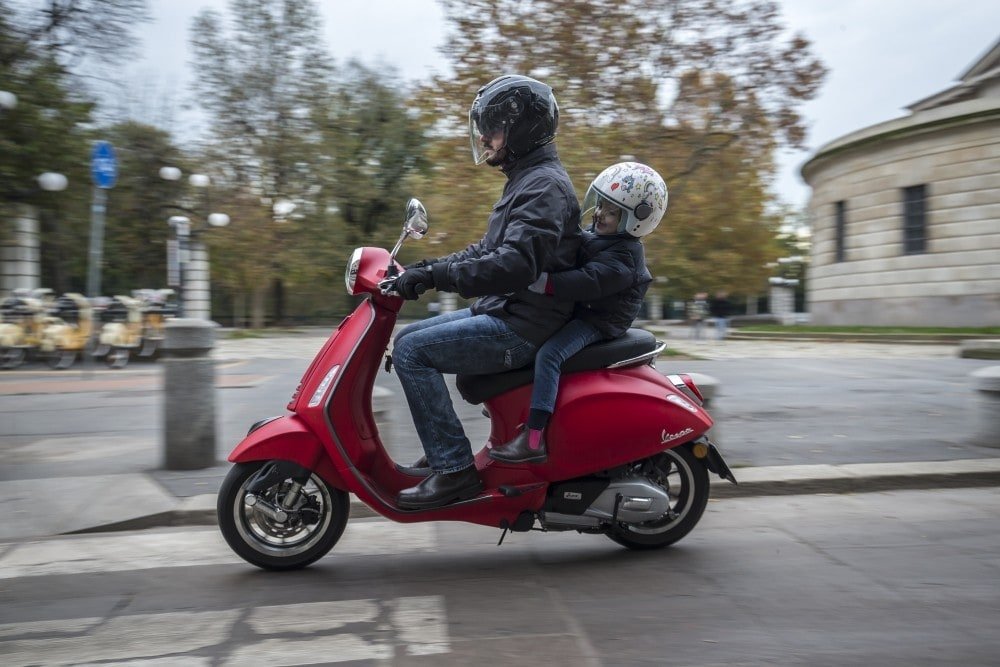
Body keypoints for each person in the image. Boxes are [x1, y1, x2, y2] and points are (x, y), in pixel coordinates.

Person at [389, 74, 583, 510]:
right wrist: (429, 268)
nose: (484, 136)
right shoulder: (527, 179)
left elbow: (514, 265)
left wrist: (440, 277)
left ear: (523, 129)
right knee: (405, 339)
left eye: (493, 126)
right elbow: (487, 249)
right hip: (509, 311)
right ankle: (445, 452)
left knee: (412, 353)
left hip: (522, 327)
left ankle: (455, 470)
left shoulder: (543, 186)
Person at [488, 162, 666, 464]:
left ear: (636, 221)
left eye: (611, 211)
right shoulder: (601, 236)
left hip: (599, 320)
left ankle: (534, 438)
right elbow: (573, 242)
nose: (598, 214)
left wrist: (540, 282)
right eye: (600, 205)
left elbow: (586, 282)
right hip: (587, 310)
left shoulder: (624, 257)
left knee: (550, 355)